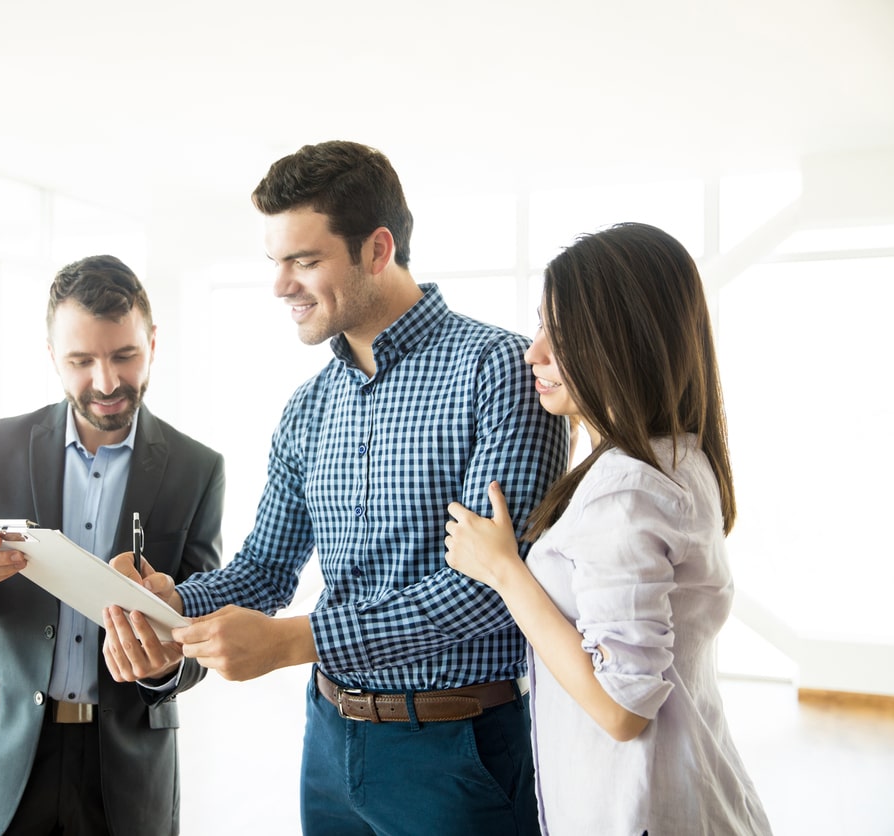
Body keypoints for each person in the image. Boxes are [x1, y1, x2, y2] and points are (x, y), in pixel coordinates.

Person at [103, 141, 569, 835]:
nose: (281, 285)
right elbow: (264, 569)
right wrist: (172, 601)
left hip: (456, 749)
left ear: (377, 250)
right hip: (327, 744)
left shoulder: (498, 370)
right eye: (276, 262)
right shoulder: (306, 408)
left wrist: (295, 642)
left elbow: (493, 590)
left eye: (305, 260)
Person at [443, 223, 772, 834]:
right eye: (539, 325)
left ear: (622, 343)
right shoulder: (678, 456)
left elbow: (623, 709)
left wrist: (504, 571)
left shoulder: (625, 489)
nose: (532, 353)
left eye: (558, 335)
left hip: (640, 807)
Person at [0, 254, 225, 836]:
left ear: (153, 342)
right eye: (81, 361)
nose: (106, 382)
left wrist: (164, 667)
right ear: (52, 356)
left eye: (125, 355)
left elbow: (201, 630)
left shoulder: (197, 468)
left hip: (124, 770)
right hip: (2, 758)